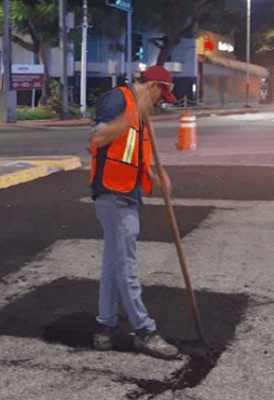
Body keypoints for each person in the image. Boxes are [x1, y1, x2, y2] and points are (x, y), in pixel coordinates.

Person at [88, 65, 180, 360]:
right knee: (126, 266)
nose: (159, 102)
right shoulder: (119, 100)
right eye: (160, 95)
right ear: (153, 86)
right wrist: (132, 115)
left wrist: (155, 175)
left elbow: (134, 151)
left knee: (113, 264)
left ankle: (104, 327)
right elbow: (99, 138)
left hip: (126, 191)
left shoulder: (140, 110)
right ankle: (145, 331)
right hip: (113, 193)